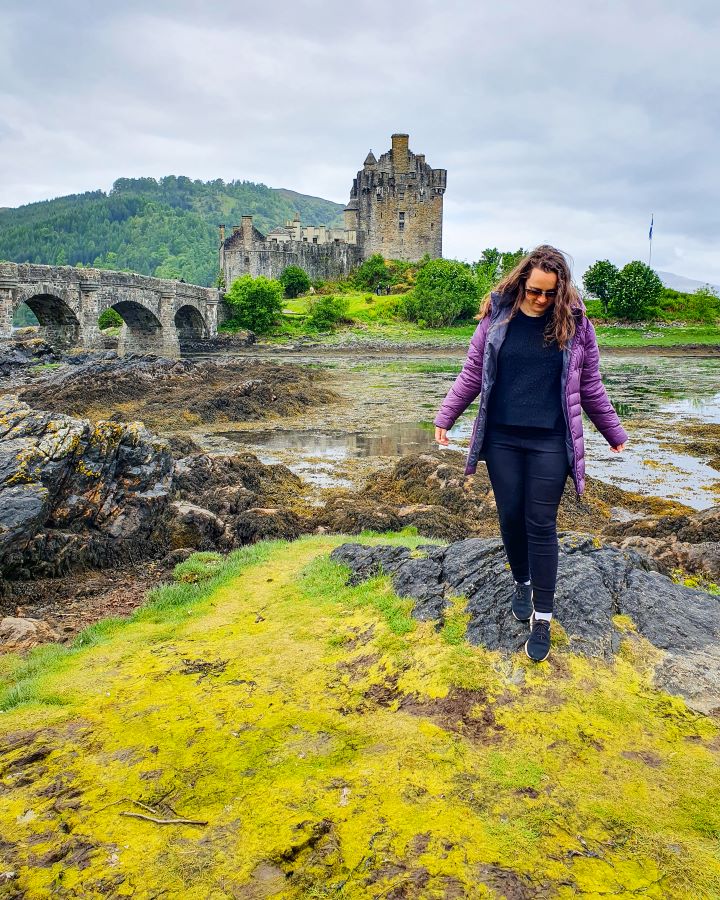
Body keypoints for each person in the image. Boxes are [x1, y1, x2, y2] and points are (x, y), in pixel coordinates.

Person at [433, 245, 627, 662]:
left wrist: (613, 430)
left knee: (540, 523)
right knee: (509, 516)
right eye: (536, 291)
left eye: (551, 293)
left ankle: (543, 616)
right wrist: (446, 416)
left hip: (550, 441)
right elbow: (472, 373)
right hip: (502, 438)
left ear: (562, 291)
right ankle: (521, 580)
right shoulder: (496, 318)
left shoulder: (576, 325)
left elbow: (589, 384)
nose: (542, 299)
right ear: (522, 282)